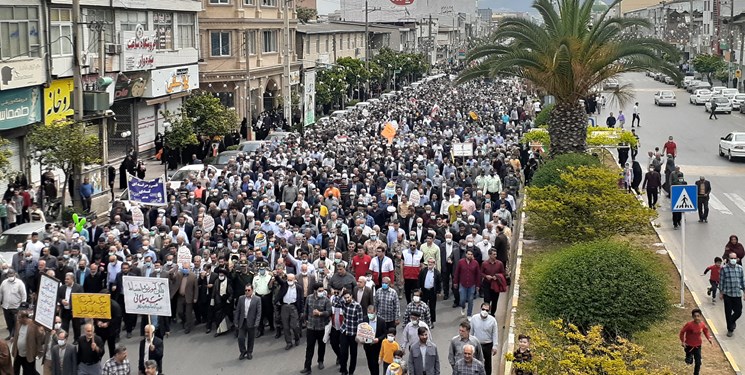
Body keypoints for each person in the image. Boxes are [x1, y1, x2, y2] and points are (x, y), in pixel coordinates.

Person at [301, 283, 332, 373]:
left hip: (321, 327)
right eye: (320, 291)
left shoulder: (326, 300)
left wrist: (320, 313)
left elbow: (329, 312)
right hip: (311, 327)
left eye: (323, 291)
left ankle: (320, 361)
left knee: (321, 346)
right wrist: (305, 320)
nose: (321, 292)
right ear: (315, 291)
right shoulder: (309, 298)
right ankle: (307, 367)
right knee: (309, 348)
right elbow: (305, 310)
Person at [334, 288, 363, 375]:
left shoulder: (357, 306)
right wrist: (340, 295)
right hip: (344, 331)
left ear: (351, 297)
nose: (346, 299)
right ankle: (343, 370)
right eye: (345, 298)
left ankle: (351, 371)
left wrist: (359, 336)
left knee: (353, 354)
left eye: (348, 297)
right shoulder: (343, 303)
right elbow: (335, 303)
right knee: (343, 352)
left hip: (353, 333)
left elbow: (360, 321)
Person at [719, 251, 745, 337]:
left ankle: (732, 321)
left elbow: (742, 281)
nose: (733, 260)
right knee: (728, 312)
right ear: (728, 259)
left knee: (738, 311)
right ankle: (730, 329)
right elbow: (721, 281)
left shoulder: (740, 268)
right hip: (728, 294)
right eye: (731, 258)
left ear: (737, 259)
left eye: (734, 258)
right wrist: (721, 293)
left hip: (737, 294)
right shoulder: (724, 268)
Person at [11, 310, 45, 375]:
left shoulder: (34, 325)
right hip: (18, 353)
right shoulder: (18, 323)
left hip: (28, 354)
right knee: (15, 370)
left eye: (19, 318)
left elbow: (40, 340)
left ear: (25, 318)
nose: (18, 320)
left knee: (29, 371)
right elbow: (16, 334)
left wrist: (41, 333)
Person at [679, 309, 712, 375]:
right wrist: (683, 341)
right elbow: (682, 332)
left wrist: (709, 338)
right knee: (689, 361)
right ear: (693, 317)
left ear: (700, 316)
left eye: (698, 316)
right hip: (688, 346)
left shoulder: (702, 324)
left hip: (697, 346)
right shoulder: (689, 325)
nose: (697, 318)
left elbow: (705, 331)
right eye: (695, 316)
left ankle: (696, 373)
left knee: (698, 362)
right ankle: (688, 357)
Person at [233, 284, 261, 360]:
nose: (247, 292)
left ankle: (249, 352)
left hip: (251, 322)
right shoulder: (241, 298)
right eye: (246, 290)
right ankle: (243, 351)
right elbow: (238, 310)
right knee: (240, 338)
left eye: (249, 290)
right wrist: (236, 321)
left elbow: (259, 312)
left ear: (252, 290)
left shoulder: (257, 299)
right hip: (242, 321)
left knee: (251, 339)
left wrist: (257, 323)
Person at [470, 302, 498, 375]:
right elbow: (471, 332)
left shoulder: (492, 320)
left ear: (489, 311)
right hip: (476, 344)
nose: (484, 311)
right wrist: (469, 343)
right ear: (480, 309)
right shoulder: (474, 318)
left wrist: (495, 346)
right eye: (483, 309)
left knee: (487, 363)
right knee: (475, 361)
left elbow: (495, 333)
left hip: (488, 345)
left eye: (487, 310)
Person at [57, 272, 83, 344]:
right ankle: (64, 338)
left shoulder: (78, 287)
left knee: (76, 326)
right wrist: (62, 301)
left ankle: (77, 339)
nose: (66, 280)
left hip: (74, 310)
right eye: (65, 279)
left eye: (68, 279)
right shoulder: (62, 288)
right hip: (65, 311)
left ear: (72, 279)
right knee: (64, 326)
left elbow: (81, 299)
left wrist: (71, 304)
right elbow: (58, 297)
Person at [454, 250, 481, 317]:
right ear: (466, 254)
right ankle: (463, 307)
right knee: (462, 299)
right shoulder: (461, 262)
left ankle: (469, 314)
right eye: (468, 254)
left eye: (471, 254)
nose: (470, 255)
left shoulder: (475, 263)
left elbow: (478, 275)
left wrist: (478, 285)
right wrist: (455, 282)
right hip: (462, 284)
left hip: (472, 285)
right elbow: (457, 273)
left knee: (470, 300)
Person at [481, 250, 508, 316]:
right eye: (494, 254)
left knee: (494, 300)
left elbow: (503, 273)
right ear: (490, 255)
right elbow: (481, 272)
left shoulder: (500, 263)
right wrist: (486, 276)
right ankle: (485, 313)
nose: (495, 256)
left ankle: (492, 313)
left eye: (496, 254)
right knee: (486, 299)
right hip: (487, 284)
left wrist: (497, 276)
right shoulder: (484, 264)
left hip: (496, 284)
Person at [0, 269, 26, 339]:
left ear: (14, 274)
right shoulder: (4, 283)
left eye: (12, 275)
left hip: (16, 307)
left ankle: (17, 336)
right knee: (9, 323)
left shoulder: (19, 283)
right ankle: (11, 335)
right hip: (6, 307)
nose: (10, 277)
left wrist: (22, 307)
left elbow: (23, 295)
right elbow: (1, 293)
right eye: (9, 275)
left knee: (16, 323)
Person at [361, 305, 386, 375]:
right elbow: (361, 331)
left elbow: (384, 334)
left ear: (375, 312)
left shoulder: (381, 321)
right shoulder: (364, 319)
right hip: (367, 345)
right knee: (370, 362)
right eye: (368, 313)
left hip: (377, 346)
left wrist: (378, 339)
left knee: (375, 363)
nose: (370, 315)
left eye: (371, 313)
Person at [417, 257, 441, 327]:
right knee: (423, 306)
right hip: (424, 291)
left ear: (434, 264)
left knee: (432, 307)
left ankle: (432, 321)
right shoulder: (423, 271)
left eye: (431, 262)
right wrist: (419, 289)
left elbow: (439, 283)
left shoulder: (437, 273)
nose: (430, 263)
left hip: (432, 291)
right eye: (429, 262)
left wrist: (438, 292)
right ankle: (422, 320)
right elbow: (419, 279)